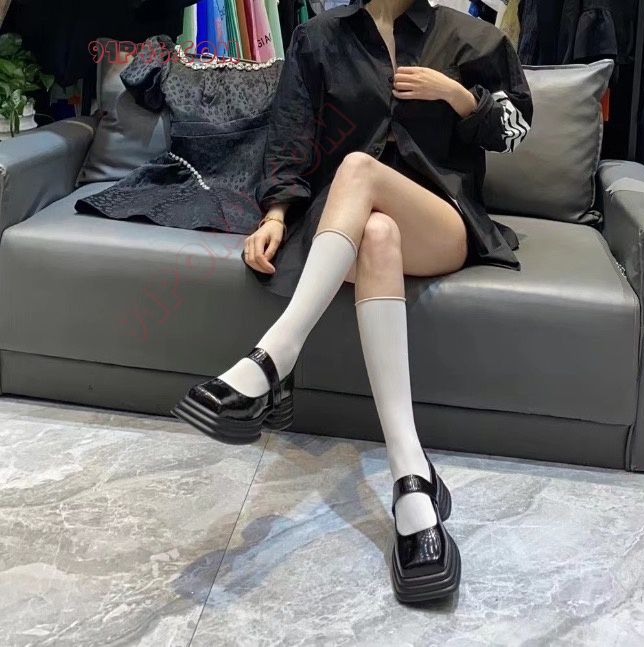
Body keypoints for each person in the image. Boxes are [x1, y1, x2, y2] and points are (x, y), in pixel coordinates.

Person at [172, 0, 533, 603]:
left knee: (360, 168)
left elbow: (514, 132)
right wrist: (276, 213)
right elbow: (292, 132)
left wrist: (458, 97)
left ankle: (275, 357)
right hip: (350, 226)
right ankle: (412, 479)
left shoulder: (471, 38)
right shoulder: (320, 37)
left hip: (441, 221)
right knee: (378, 232)